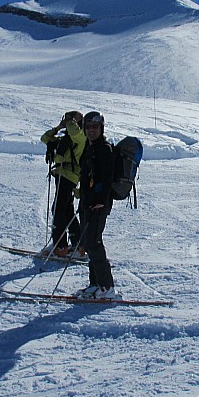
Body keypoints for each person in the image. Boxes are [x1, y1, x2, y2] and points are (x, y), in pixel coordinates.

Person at [74, 111, 120, 299]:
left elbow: (107, 178)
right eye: (88, 127)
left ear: (102, 128)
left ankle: (107, 286)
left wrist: (100, 201)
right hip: (87, 202)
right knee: (88, 242)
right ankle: (95, 283)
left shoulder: (104, 149)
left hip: (98, 204)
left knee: (94, 242)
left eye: (95, 127)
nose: (91, 130)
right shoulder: (90, 147)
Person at [40, 110, 86, 257]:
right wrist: (58, 127)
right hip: (62, 175)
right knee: (67, 210)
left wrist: (70, 121)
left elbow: (73, 131)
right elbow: (45, 138)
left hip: (69, 175)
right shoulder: (66, 138)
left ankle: (61, 247)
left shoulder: (81, 137)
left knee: (58, 209)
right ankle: (78, 244)